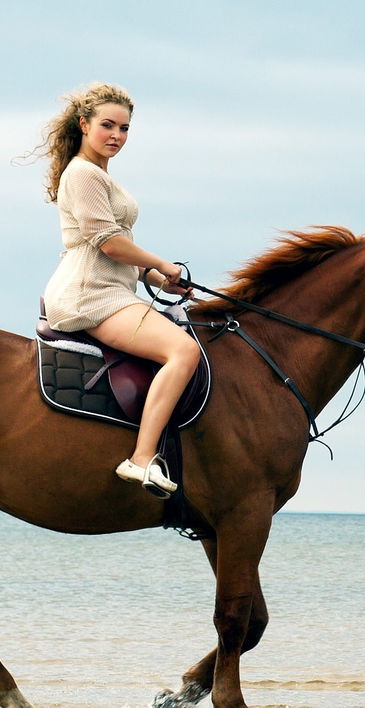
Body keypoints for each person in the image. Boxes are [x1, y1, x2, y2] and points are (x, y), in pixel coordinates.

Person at [33, 83, 199, 499]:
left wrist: (159, 279)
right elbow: (108, 243)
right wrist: (161, 262)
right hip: (90, 294)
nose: (117, 135)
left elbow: (117, 250)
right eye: (107, 125)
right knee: (183, 351)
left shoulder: (100, 176)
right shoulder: (82, 173)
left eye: (124, 128)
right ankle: (140, 458)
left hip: (113, 288)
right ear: (84, 124)